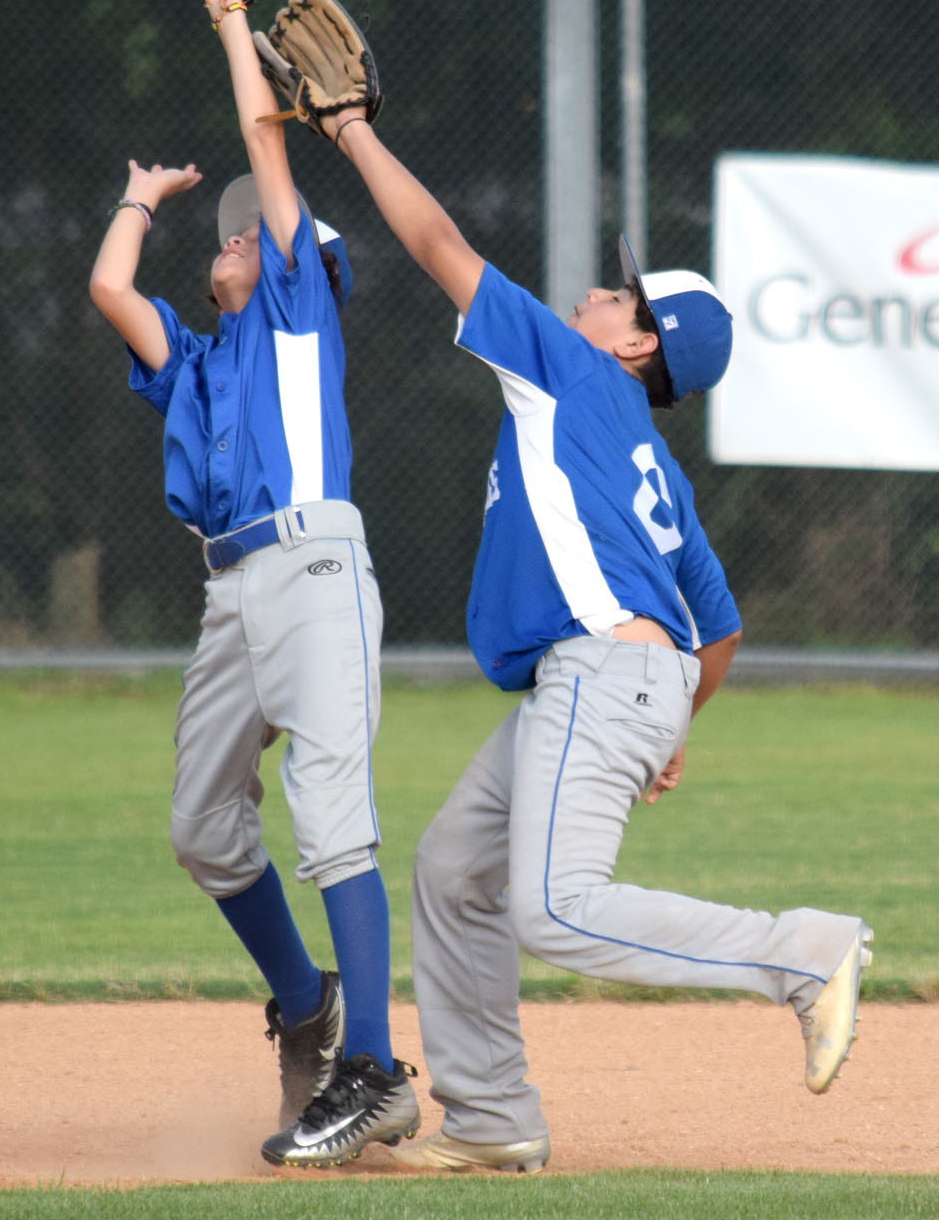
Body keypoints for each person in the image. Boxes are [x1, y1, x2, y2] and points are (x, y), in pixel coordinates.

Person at [310, 101, 873, 1174]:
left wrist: (349, 133)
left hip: (600, 671)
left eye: (621, 293)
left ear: (637, 344)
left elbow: (437, 244)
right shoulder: (650, 462)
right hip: (616, 677)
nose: (598, 290)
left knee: (558, 906)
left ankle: (802, 952)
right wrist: (671, 724)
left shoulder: (571, 374)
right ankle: (492, 1116)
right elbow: (721, 625)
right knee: (453, 871)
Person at [87, 0, 419, 1170]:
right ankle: (308, 1000)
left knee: (332, 820)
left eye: (252, 230)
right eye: (228, 231)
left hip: (315, 565)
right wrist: (135, 199)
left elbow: (260, 138)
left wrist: (232, 18)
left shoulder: (294, 315)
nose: (233, 235)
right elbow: (112, 290)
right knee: (201, 827)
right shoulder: (199, 358)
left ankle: (373, 1067)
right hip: (230, 593)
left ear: (298, 267)